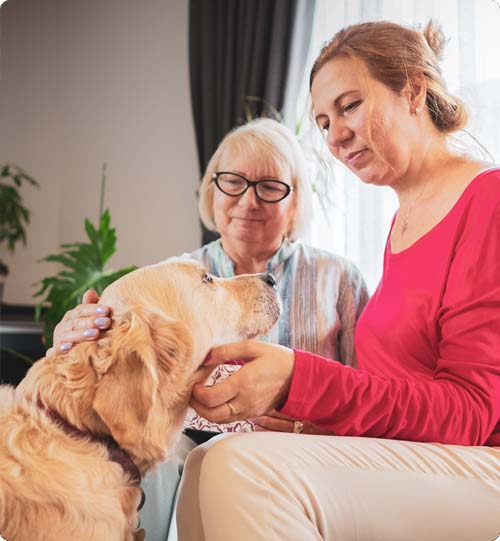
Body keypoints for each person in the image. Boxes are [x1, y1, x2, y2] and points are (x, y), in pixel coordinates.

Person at [174, 20, 500, 541]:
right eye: (323, 122)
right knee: (204, 463)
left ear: (414, 89)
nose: (335, 135)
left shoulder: (488, 201)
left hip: (481, 461)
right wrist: (311, 422)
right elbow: (404, 392)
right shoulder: (404, 221)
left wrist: (296, 379)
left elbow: (469, 414)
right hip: (422, 454)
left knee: (242, 467)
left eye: (349, 106)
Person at [49, 118, 369, 541]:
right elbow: (114, 362)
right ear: (212, 191)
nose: (248, 201)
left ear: (294, 204)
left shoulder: (339, 277)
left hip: (298, 445)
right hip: (187, 440)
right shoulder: (173, 276)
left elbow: (367, 386)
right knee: (151, 460)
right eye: (232, 182)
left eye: (270, 186)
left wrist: (317, 427)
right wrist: (72, 338)